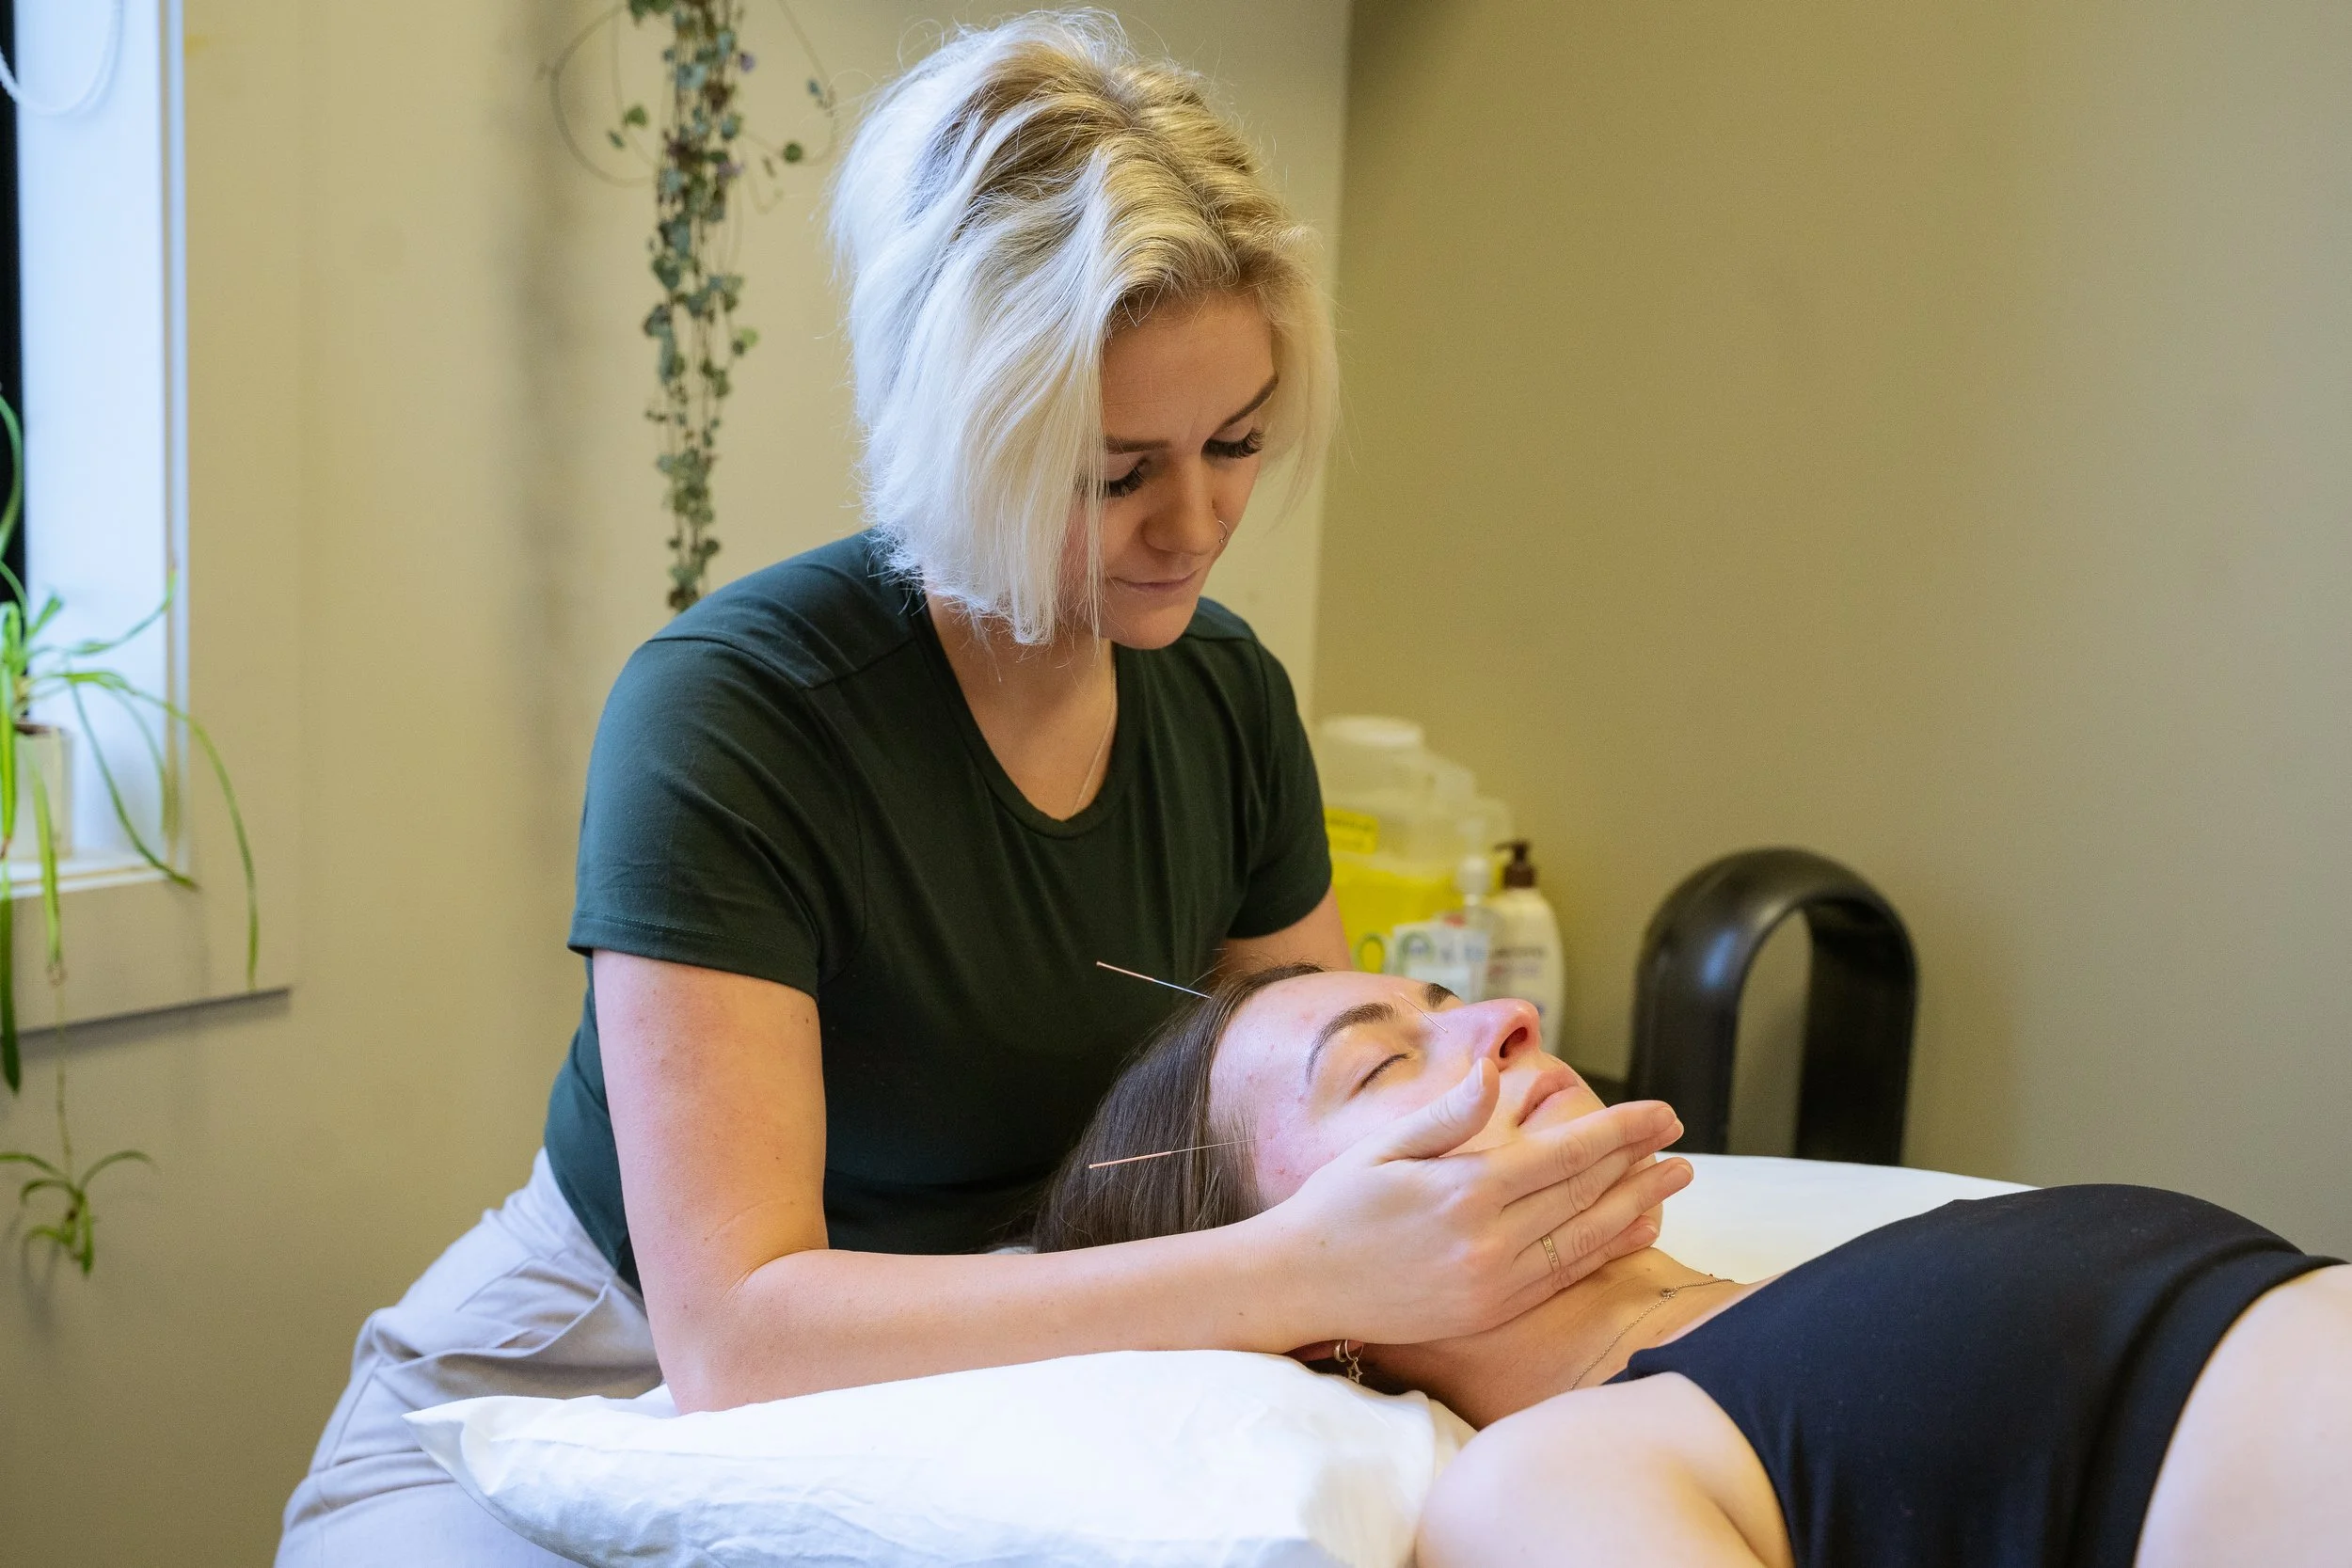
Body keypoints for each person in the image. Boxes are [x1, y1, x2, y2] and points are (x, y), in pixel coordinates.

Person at [276, 17, 1688, 1566]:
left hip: (1008, 1360)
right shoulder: (735, 716)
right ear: (967, 430)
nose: (1197, 521)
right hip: (587, 1370)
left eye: (1234, 442)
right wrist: (1298, 1274)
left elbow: (1341, 1129)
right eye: (1117, 470)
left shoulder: (1222, 698)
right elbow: (737, 1337)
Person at [1030, 963, 2351, 1568]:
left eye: (1454, 1004)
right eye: (1382, 1064)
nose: (1506, 1018)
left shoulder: (1797, 1291)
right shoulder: (1539, 1483)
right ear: (1303, 1298)